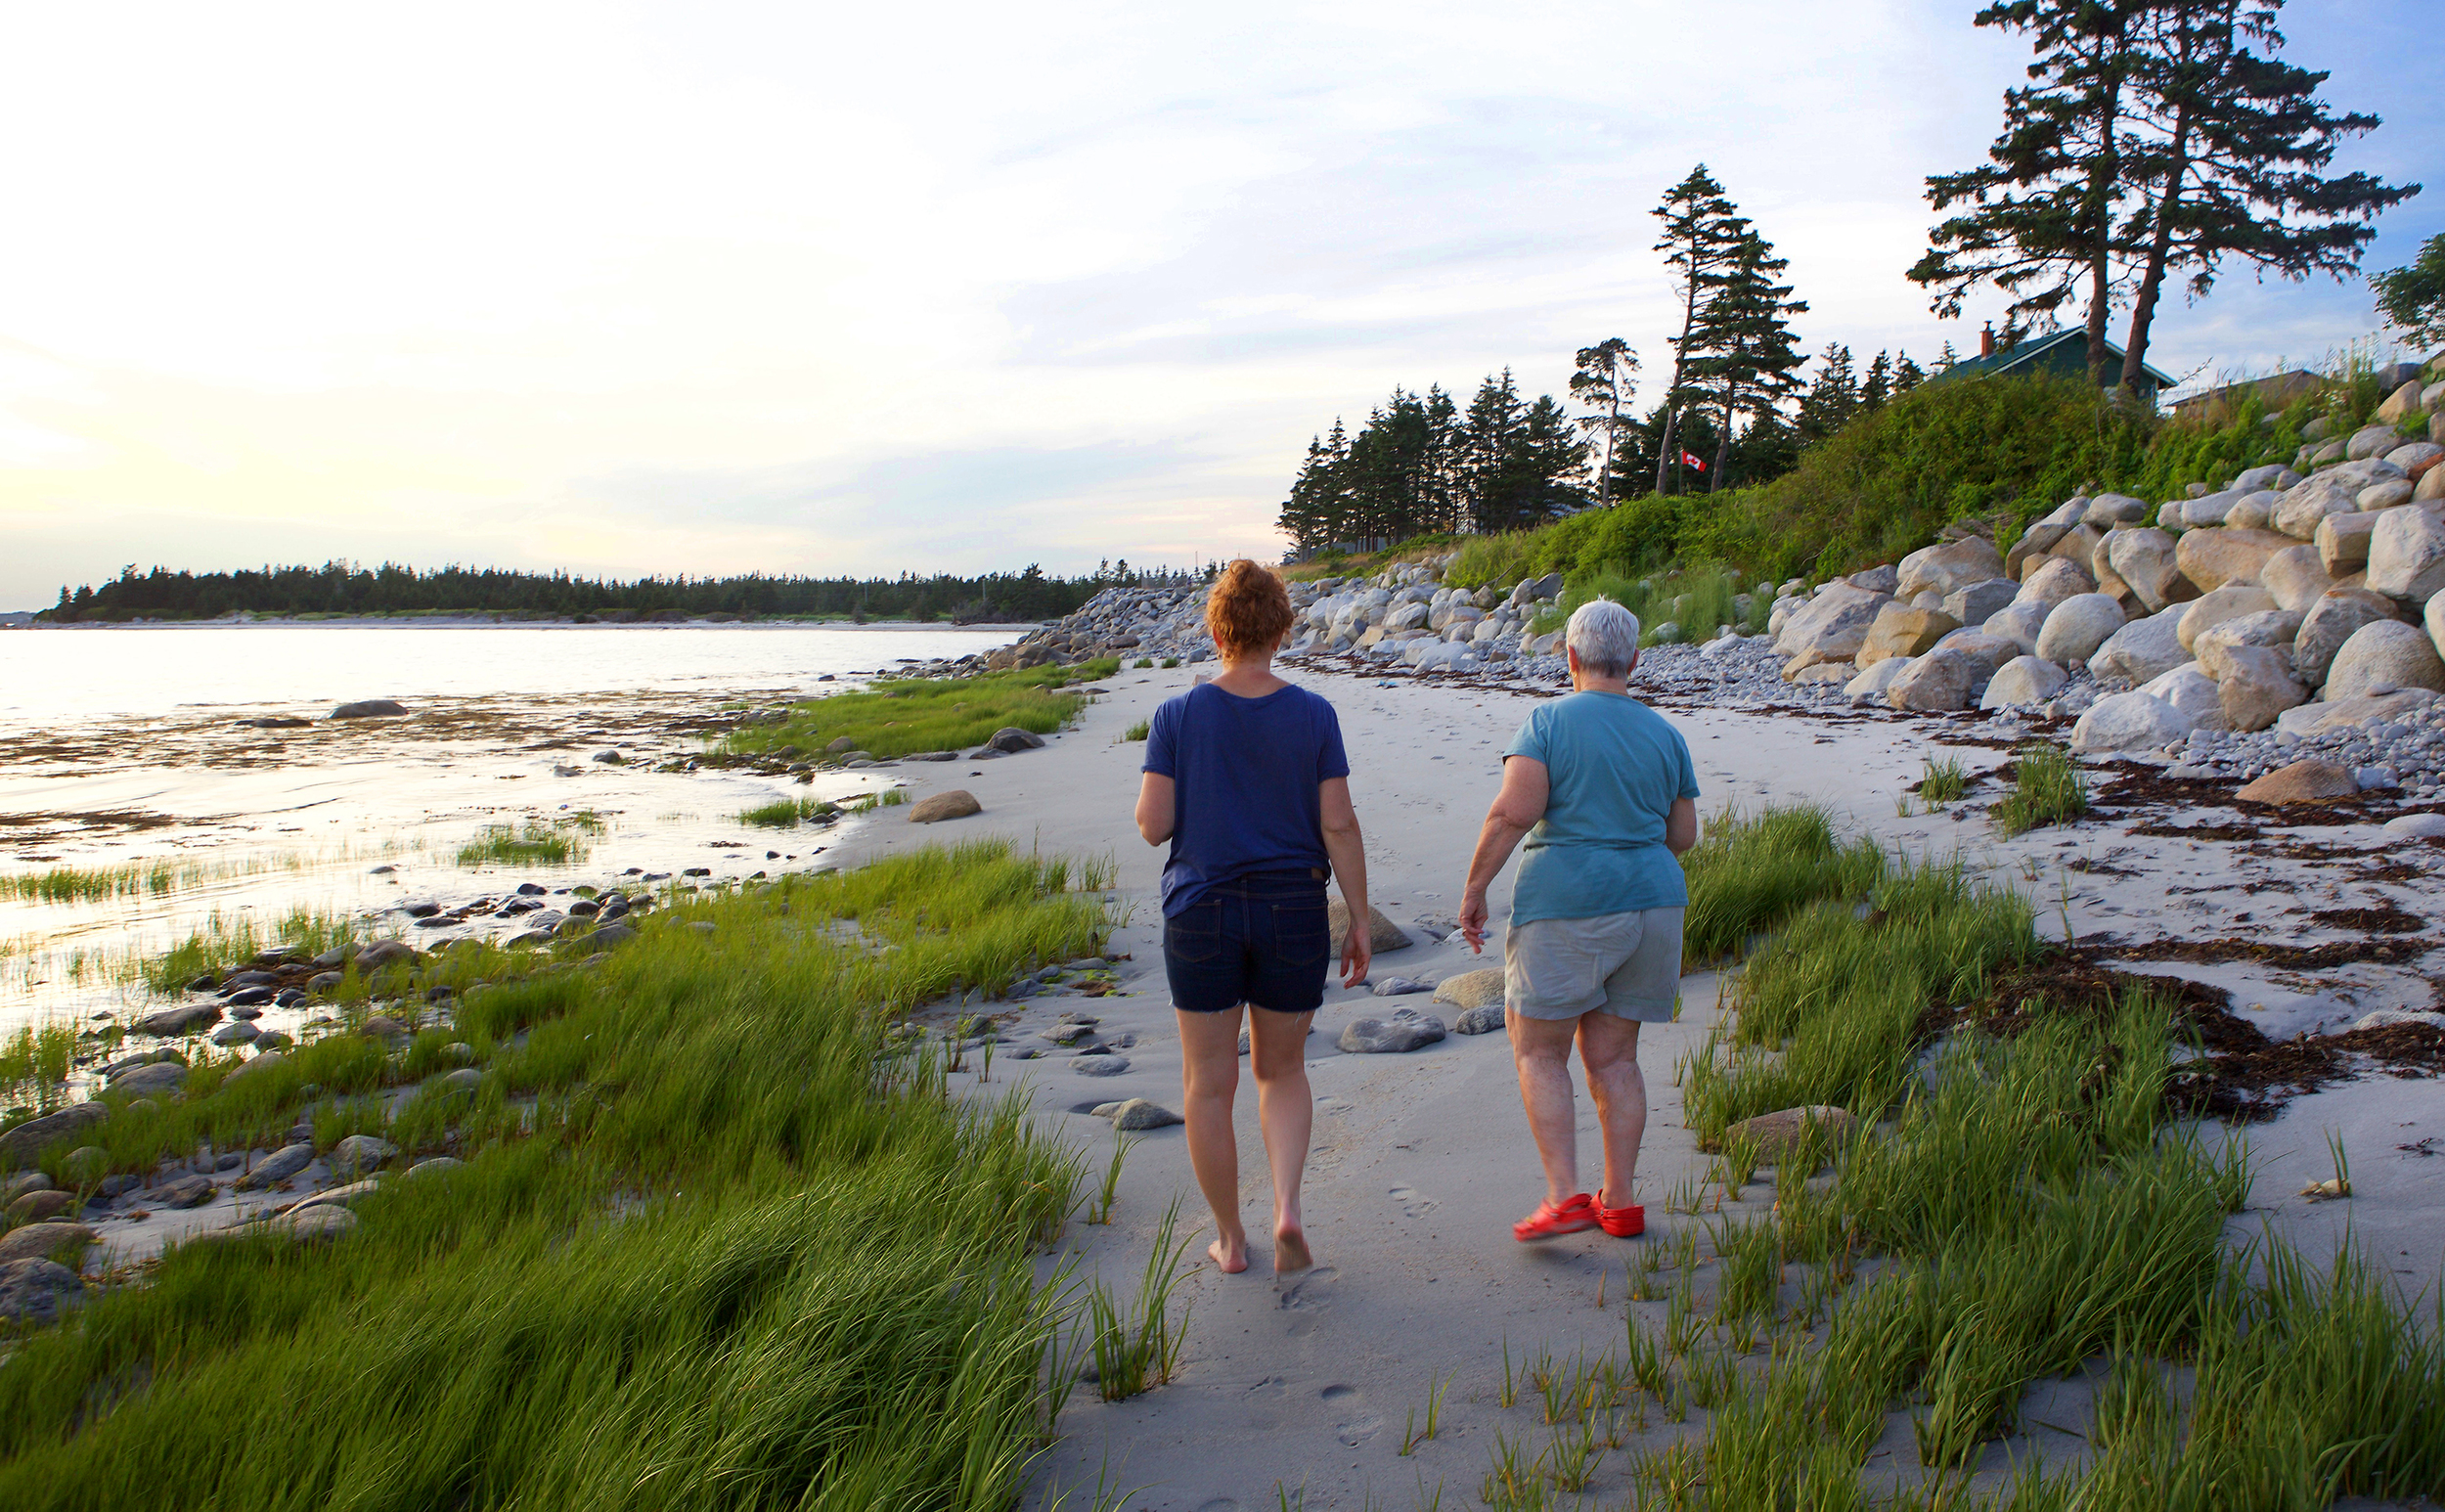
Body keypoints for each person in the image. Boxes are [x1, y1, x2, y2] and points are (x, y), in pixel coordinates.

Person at [1134, 560, 1371, 1275]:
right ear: (1283, 629)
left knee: (1209, 1081)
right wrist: (1359, 918)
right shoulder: (1313, 714)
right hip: (1292, 907)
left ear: (1215, 631)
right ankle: (1289, 1211)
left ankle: (1232, 1240)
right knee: (1282, 1070)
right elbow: (1339, 824)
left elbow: (1153, 827)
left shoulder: (1178, 715)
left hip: (1201, 909)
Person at [1457, 599, 1698, 1243]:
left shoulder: (1546, 722)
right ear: (1634, 661)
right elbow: (1684, 834)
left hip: (1568, 902)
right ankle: (1618, 1202)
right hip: (1654, 903)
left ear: (1570, 658)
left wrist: (1476, 887)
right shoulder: (1666, 735)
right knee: (1617, 1059)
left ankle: (1564, 1196)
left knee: (1538, 1048)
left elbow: (1514, 813)